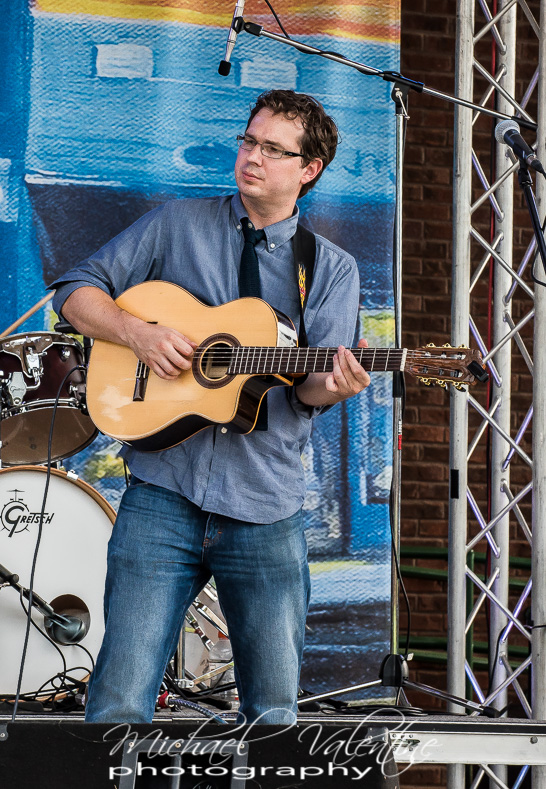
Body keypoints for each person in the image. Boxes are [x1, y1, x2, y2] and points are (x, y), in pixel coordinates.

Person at [50, 89, 371, 724]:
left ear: (309, 170)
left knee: (272, 713)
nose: (252, 156)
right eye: (249, 140)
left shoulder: (330, 269)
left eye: (273, 149)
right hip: (162, 493)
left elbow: (308, 391)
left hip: (264, 504)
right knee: (118, 701)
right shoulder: (177, 224)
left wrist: (334, 387)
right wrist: (137, 333)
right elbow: (73, 291)